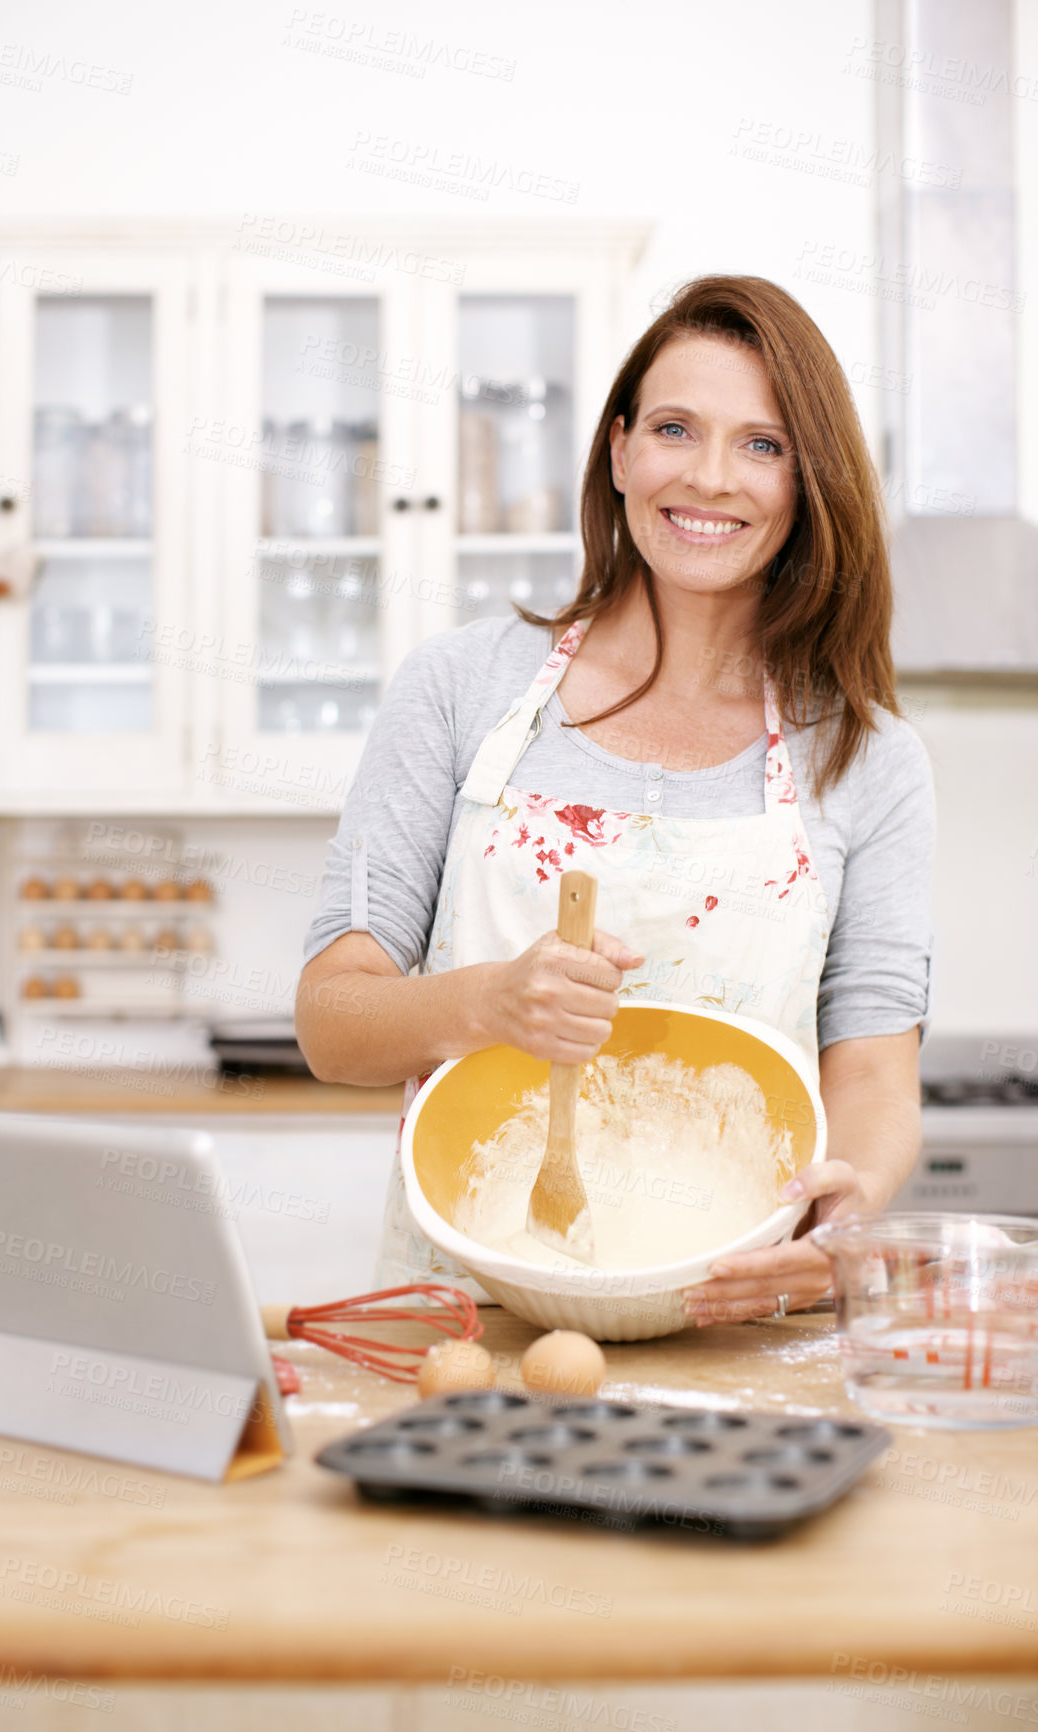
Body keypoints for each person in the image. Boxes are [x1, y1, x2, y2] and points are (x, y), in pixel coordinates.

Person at [296, 274, 934, 1324]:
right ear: (620, 450)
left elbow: (869, 1069)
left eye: (762, 445)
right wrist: (488, 1003)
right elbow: (331, 1021)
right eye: (675, 429)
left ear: (806, 479)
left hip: (733, 1323)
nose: (711, 477)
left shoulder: (862, 757)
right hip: (466, 1322)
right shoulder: (461, 688)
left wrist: (852, 1198)